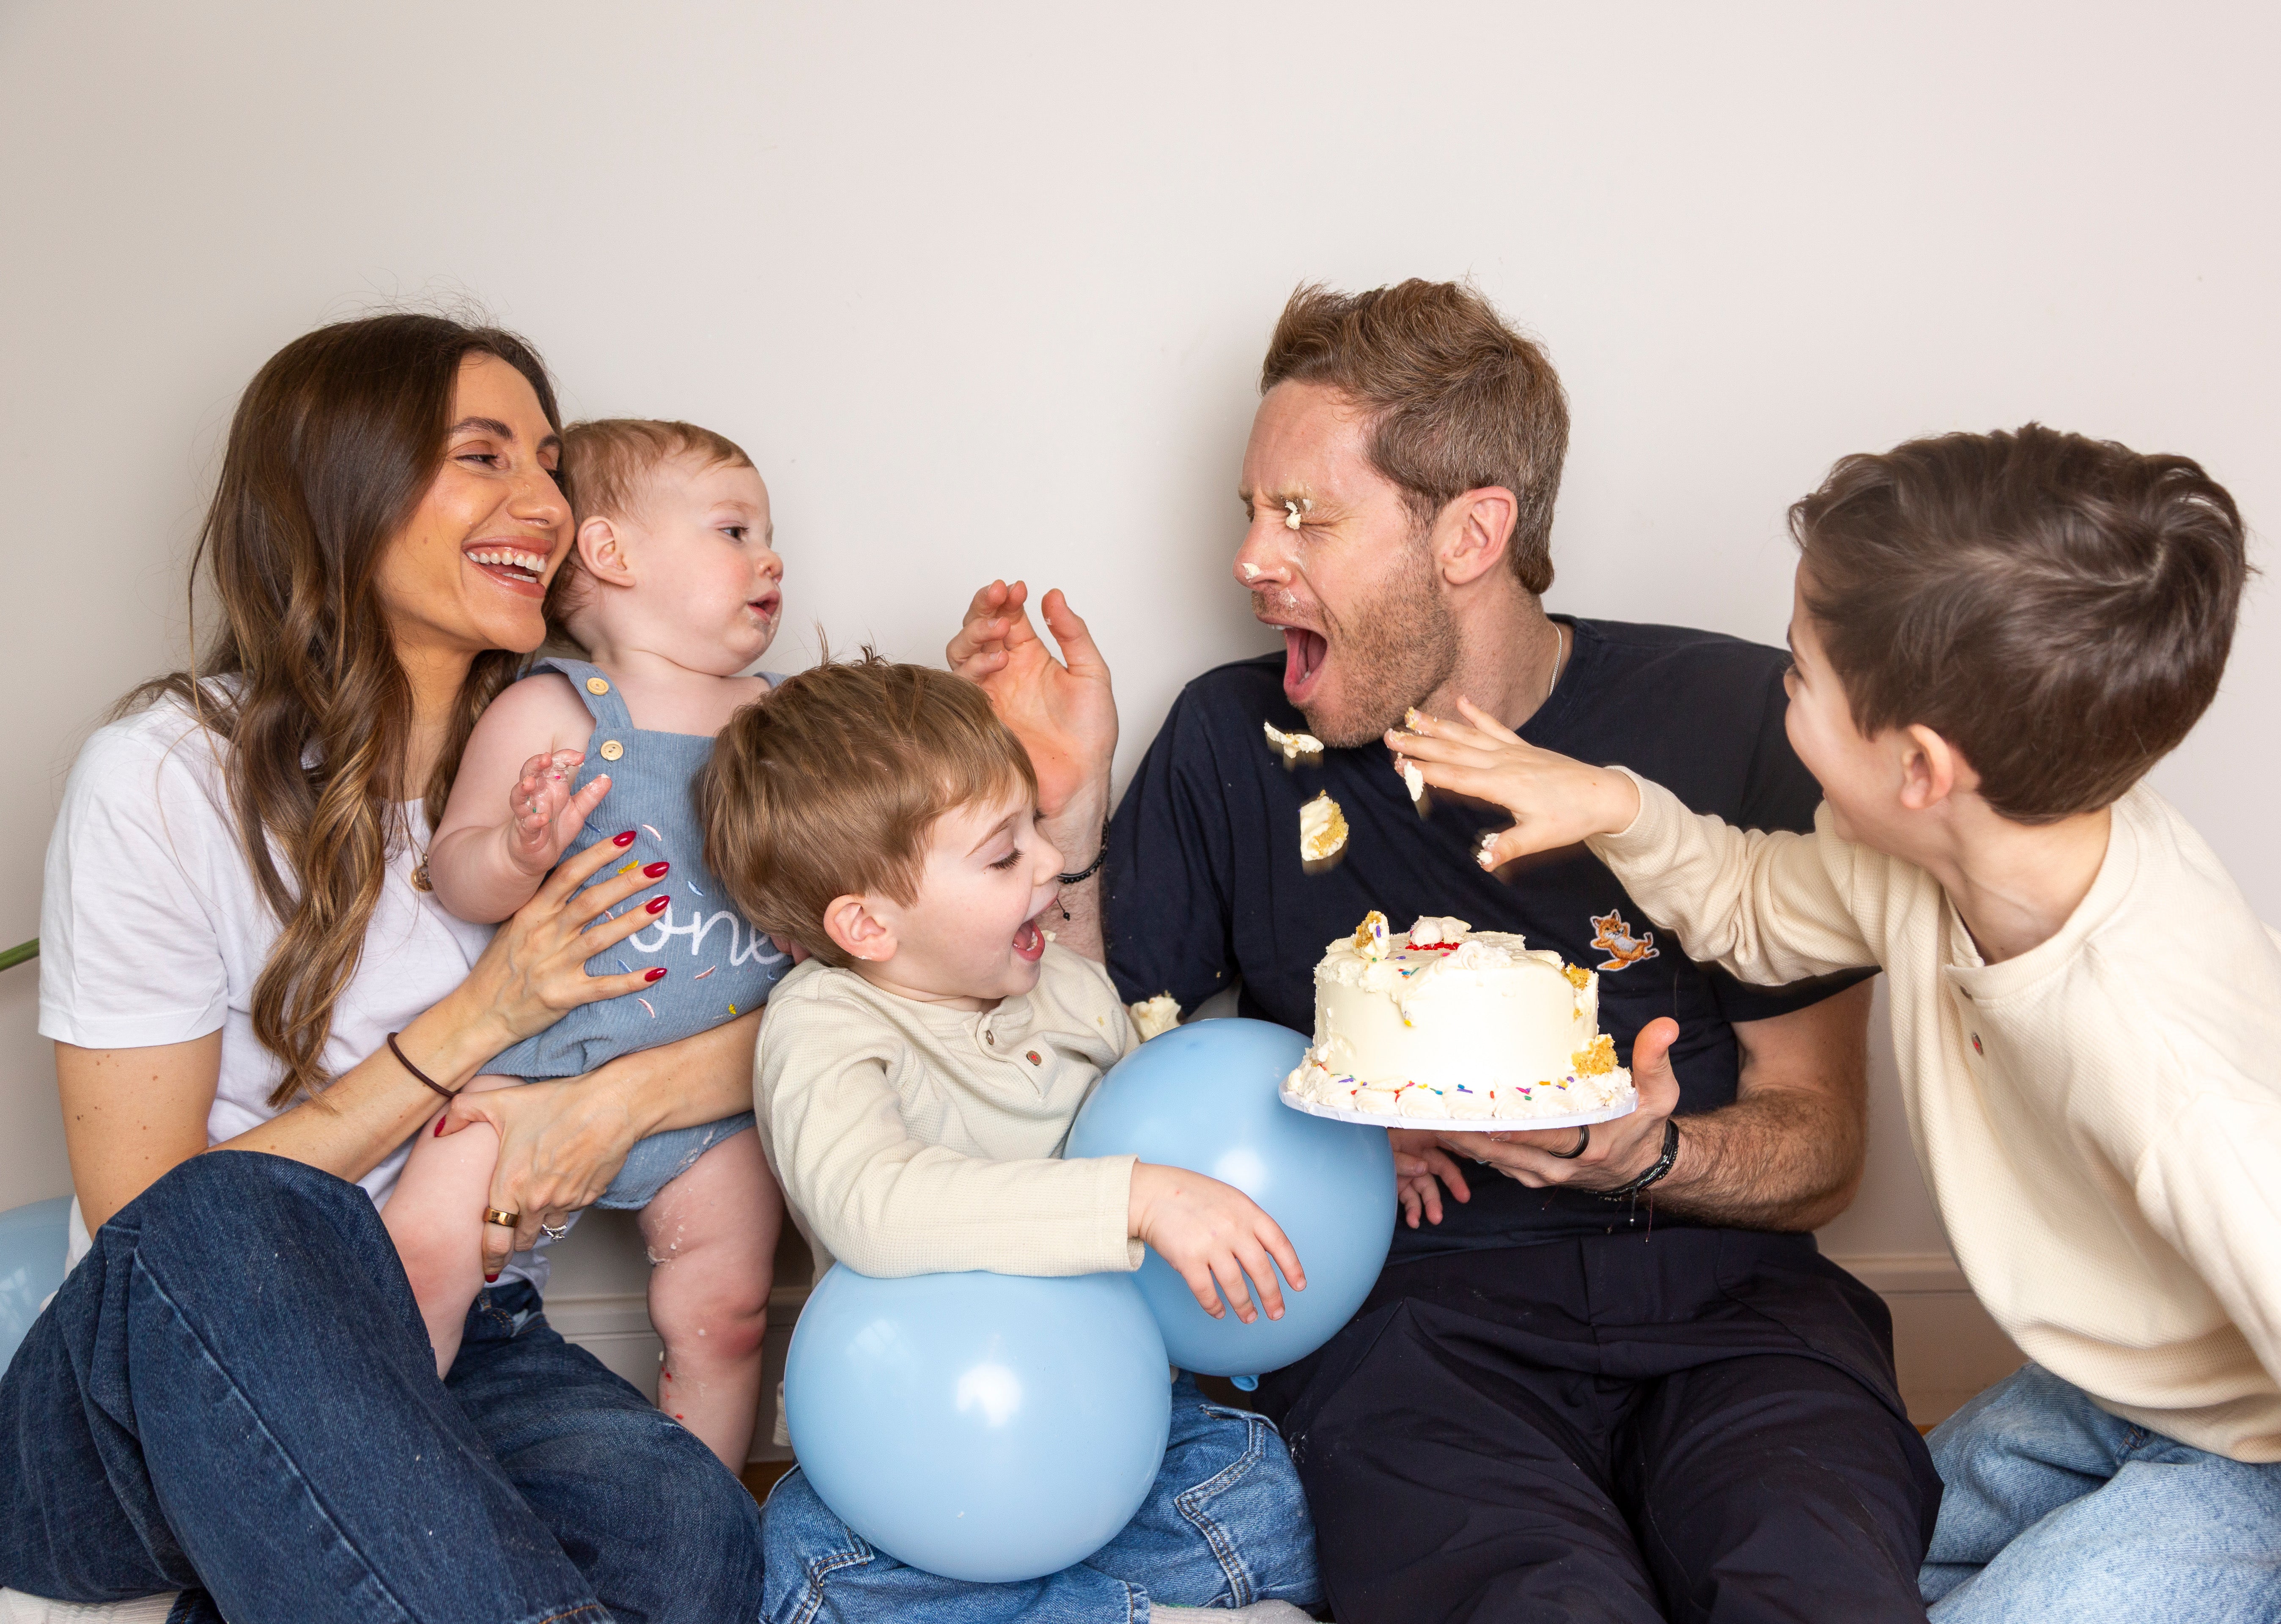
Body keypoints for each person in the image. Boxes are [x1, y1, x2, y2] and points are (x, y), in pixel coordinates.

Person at [949, 280, 1941, 1622]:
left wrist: (1646, 1151)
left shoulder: (1733, 721)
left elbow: (1822, 1144)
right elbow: (1062, 1059)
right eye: (1250, 509)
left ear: (1471, 533)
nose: (1250, 558)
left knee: (1808, 1586)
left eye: (1303, 514)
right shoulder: (1229, 745)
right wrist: (1056, 814)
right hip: (1408, 1330)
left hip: (1735, 1317)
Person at [1405, 424, 2281, 1624]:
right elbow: (1751, 908)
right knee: (1858, 1563)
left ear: (1918, 767)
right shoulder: (1939, 854)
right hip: (2125, 1382)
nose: (1779, 690)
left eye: (1802, 675)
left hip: (2258, 1447)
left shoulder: (2169, 1074)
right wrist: (1613, 803)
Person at [1, 315, 766, 1623]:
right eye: (484, 457)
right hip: (163, 1377)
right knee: (236, 1214)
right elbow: (152, 1226)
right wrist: (482, 1017)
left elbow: (794, 1004)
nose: (544, 501)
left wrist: (614, 1106)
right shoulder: (165, 772)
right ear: (342, 491)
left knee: (680, 1528)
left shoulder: (577, 769)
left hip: (464, 1346)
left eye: (549, 464)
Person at [700, 655, 1321, 1623]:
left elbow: (1168, 1128)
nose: (1049, 862)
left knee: (1256, 1481)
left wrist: (1309, 1173)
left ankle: (1093, 1605)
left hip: (1114, 1421)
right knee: (812, 1570)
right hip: (920, 1456)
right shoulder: (824, 1026)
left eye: (1036, 825)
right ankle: (1141, 1613)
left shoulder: (1068, 991)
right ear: (867, 924)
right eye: (1003, 855)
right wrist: (1135, 1198)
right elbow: (877, 1206)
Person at [387, 417, 792, 1469]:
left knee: (728, 1310)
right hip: (536, 1068)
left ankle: (703, 1494)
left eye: (766, 534)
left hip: (719, 1094)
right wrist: (521, 850)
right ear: (613, 556)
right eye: (733, 530)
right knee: (424, 1251)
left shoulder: (784, 721)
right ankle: (394, 1463)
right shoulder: (552, 708)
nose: (770, 558)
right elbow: (457, 872)